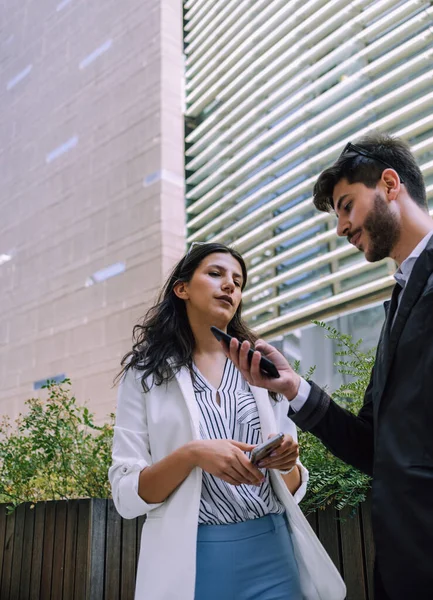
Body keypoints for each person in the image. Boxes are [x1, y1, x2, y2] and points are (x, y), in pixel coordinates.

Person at [223, 133, 433, 600]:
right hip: (404, 570)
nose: (341, 228)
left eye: (346, 205)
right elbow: (371, 447)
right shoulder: (399, 303)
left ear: (390, 184)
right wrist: (294, 387)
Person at [109, 242, 345, 600]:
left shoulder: (260, 366)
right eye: (216, 274)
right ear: (182, 288)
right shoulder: (144, 375)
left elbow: (293, 486)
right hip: (192, 562)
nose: (230, 285)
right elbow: (126, 495)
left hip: (274, 553)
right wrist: (193, 454)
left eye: (238, 280)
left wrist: (286, 462)